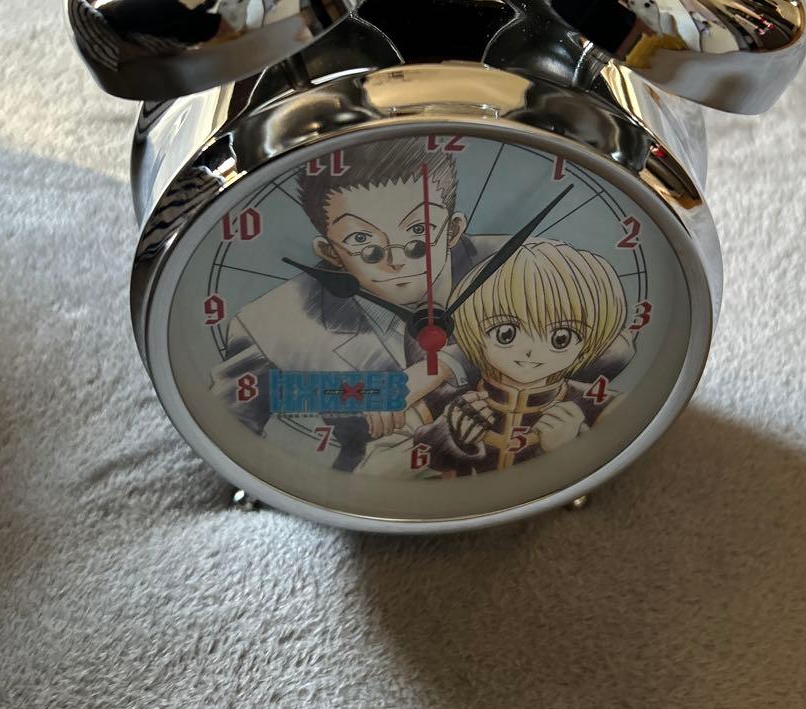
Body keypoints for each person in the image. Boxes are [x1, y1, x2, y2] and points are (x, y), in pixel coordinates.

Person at [210, 137, 502, 470]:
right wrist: (379, 392)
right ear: (330, 253)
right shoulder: (268, 328)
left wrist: (443, 364)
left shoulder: (532, 263)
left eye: (419, 230)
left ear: (452, 231)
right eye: (362, 241)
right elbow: (232, 425)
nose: (395, 261)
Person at [360, 239, 629, 476]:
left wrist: (570, 444)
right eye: (506, 333)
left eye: (561, 337)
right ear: (475, 332)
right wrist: (444, 437)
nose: (530, 351)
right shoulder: (439, 402)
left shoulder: (598, 405)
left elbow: (619, 456)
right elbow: (371, 472)